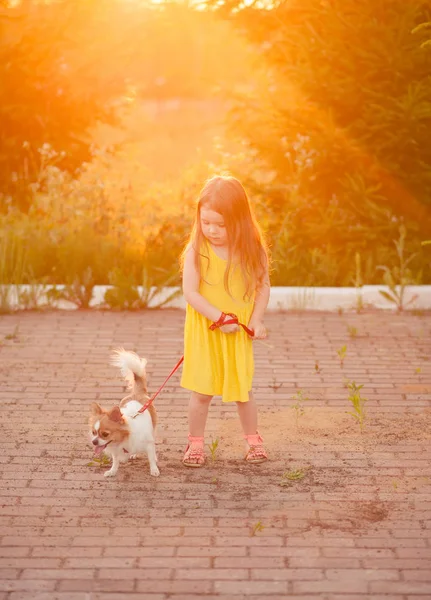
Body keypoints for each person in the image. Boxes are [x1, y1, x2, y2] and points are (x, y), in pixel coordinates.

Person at [180, 174, 270, 467]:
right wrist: (219, 318)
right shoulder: (197, 250)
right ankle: (195, 444)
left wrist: (257, 319)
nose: (212, 230)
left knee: (243, 390)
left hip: (237, 334)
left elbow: (262, 286)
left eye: (221, 224)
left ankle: (253, 441)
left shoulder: (251, 249)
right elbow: (190, 293)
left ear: (239, 220)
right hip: (208, 330)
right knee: (202, 391)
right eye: (206, 222)